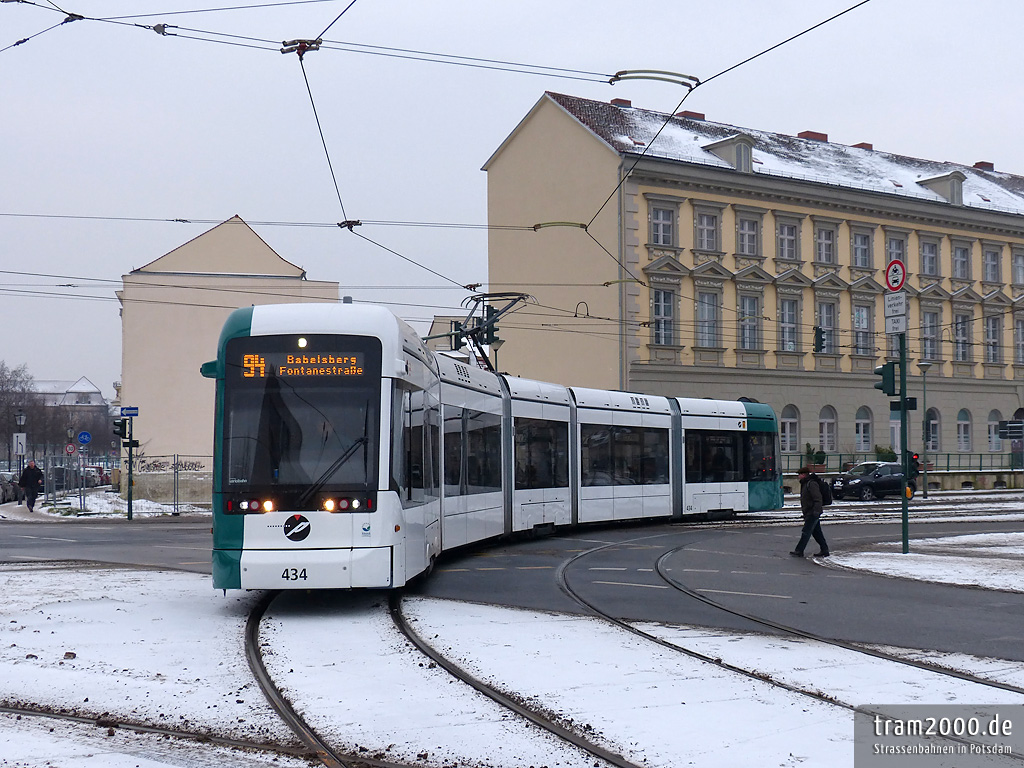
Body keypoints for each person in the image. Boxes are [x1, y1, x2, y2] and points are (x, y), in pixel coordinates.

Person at [791, 465, 830, 558]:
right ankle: (824, 550)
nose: (798, 476)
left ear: (804, 475)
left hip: (812, 512)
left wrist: (815, 511)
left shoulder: (811, 484)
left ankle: (799, 550)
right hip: (810, 511)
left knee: (806, 532)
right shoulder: (805, 483)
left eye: (799, 474)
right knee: (817, 532)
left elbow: (817, 498)